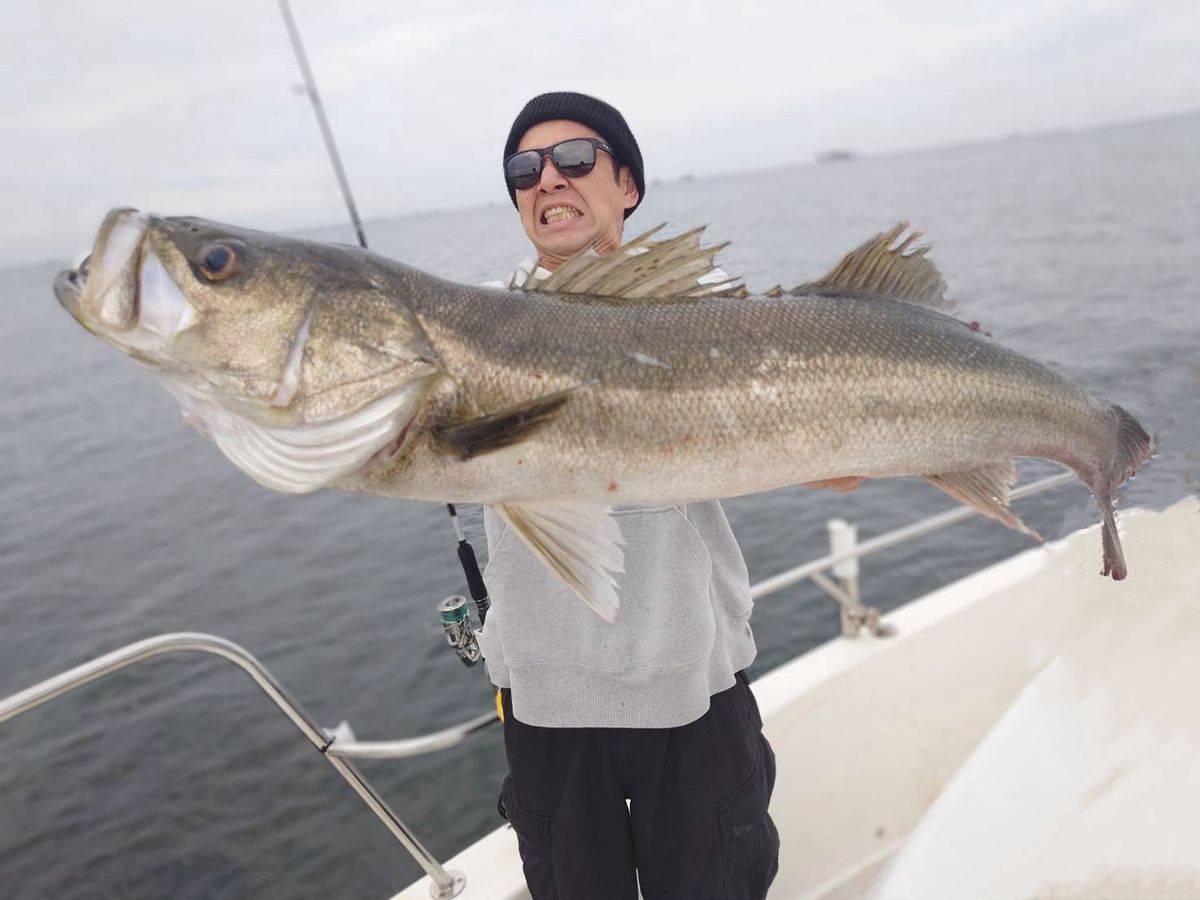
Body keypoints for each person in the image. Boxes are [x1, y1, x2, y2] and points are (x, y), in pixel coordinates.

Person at [482, 91, 858, 900]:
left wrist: (841, 445)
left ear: (628, 185)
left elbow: (812, 435)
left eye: (576, 158)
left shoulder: (711, 309)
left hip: (692, 682)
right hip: (547, 697)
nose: (548, 179)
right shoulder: (477, 323)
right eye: (525, 169)